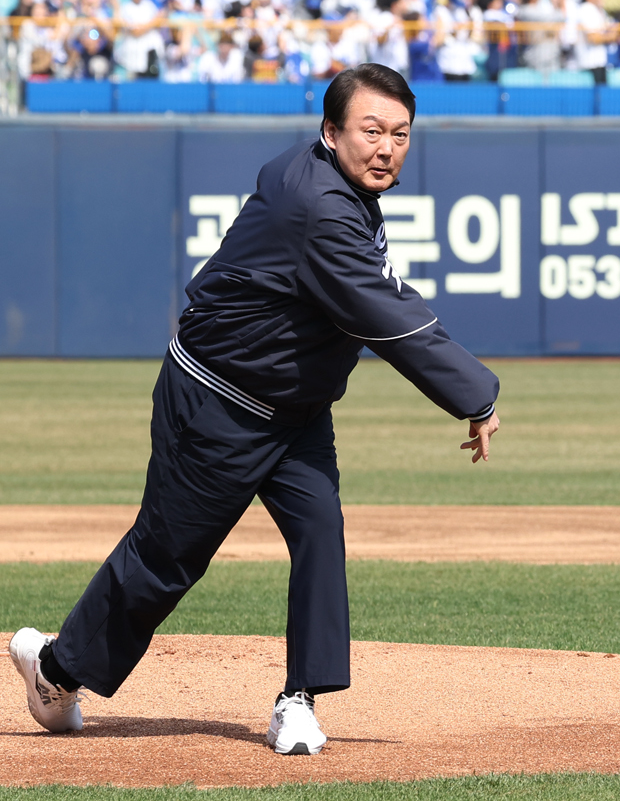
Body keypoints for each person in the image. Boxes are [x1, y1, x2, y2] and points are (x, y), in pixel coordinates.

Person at [9, 64, 502, 757]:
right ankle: (55, 673)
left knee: (319, 531)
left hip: (293, 410)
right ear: (330, 133)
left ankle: (298, 699)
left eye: (400, 133)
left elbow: (377, 294)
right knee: (167, 558)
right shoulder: (320, 208)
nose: (387, 147)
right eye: (370, 131)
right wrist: (475, 393)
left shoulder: (338, 188)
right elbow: (383, 312)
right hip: (217, 404)